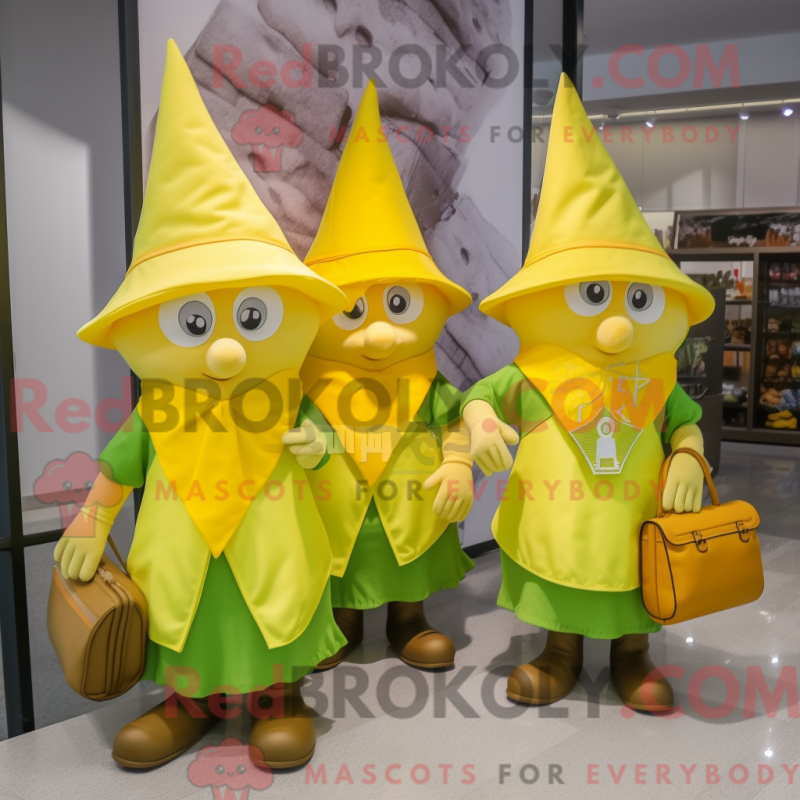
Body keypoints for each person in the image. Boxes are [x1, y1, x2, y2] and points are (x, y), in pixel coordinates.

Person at [53, 40, 348, 769]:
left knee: (267, 612)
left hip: (271, 541)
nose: (224, 351)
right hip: (182, 547)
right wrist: (93, 516)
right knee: (188, 616)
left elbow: (326, 448)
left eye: (250, 318)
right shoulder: (157, 409)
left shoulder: (288, 395)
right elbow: (120, 466)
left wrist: (319, 447)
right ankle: (187, 705)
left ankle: (278, 698)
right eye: (193, 322)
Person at [461, 74, 715, 711]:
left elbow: (684, 423)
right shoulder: (534, 370)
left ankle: (632, 654)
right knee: (561, 573)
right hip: (557, 518)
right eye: (595, 295)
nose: (617, 324)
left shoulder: (657, 375)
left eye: (638, 298)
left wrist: (688, 454)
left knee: (633, 574)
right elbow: (480, 396)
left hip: (635, 519)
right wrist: (483, 425)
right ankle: (560, 650)